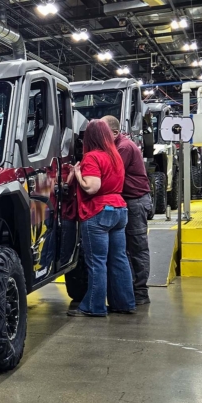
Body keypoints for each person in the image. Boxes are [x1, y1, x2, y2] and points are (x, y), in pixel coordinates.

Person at [68, 119, 136, 317]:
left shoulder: (92, 157)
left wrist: (78, 174)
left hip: (98, 212)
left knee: (97, 261)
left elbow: (92, 186)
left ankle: (94, 306)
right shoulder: (115, 156)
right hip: (119, 210)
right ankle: (124, 303)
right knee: (119, 259)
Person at [102, 115, 153, 305]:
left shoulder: (123, 147)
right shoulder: (117, 145)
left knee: (137, 248)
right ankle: (131, 290)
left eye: (103, 131)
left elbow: (112, 175)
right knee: (127, 249)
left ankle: (140, 292)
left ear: (115, 133)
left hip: (135, 202)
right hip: (128, 202)